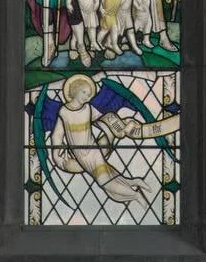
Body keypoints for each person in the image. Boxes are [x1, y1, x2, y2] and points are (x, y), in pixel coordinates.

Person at [49, 74, 153, 212]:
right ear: (74, 90)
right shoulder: (64, 111)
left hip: (92, 151)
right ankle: (134, 182)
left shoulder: (88, 109)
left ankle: (136, 195)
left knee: (104, 181)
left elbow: (104, 118)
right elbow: (57, 134)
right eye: (84, 92)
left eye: (89, 94)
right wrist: (56, 154)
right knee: (109, 180)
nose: (87, 96)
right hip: (80, 155)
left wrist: (118, 128)